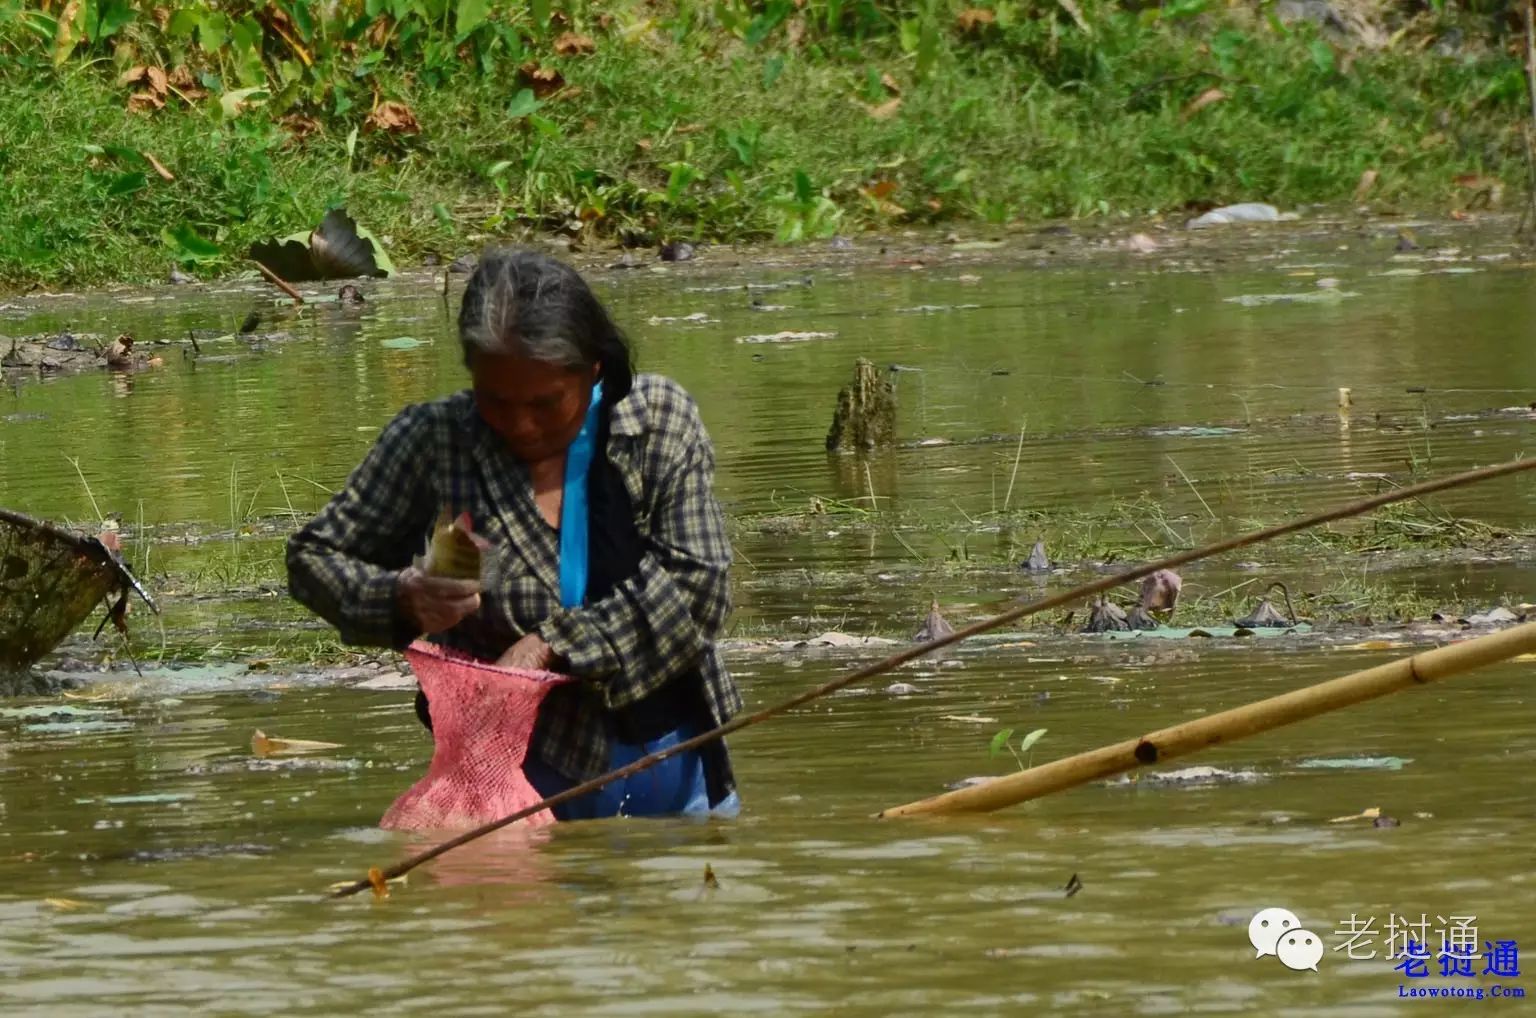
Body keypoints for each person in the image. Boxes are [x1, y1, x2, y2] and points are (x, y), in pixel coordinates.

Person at [286, 248, 742, 819]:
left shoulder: (656, 422)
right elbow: (314, 558)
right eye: (496, 401)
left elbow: (698, 588)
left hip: (683, 769)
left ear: (593, 368)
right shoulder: (435, 443)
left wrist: (550, 646)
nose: (522, 424)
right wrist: (402, 596)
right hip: (516, 786)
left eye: (547, 404)